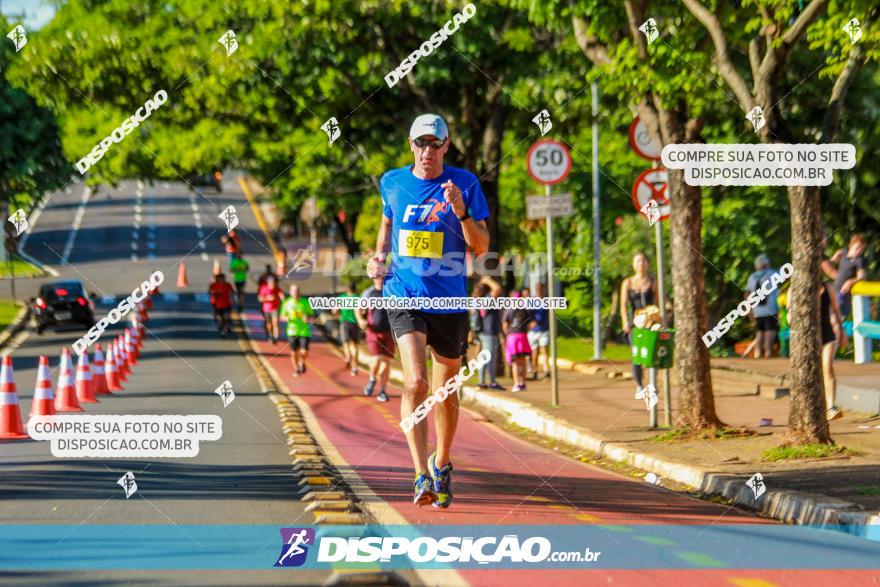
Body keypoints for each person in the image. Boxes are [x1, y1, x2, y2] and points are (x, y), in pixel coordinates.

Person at [366, 113, 490, 508]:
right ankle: (421, 475)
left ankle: (443, 461)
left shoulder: (465, 184)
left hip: (449, 300)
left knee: (445, 389)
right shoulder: (392, 182)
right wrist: (378, 256)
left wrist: (461, 212)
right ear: (411, 145)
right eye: (421, 144)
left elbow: (481, 247)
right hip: (403, 294)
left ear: (446, 146)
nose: (428, 152)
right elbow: (386, 227)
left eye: (435, 144)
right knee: (416, 381)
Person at [788, 282, 848, 421]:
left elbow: (836, 310)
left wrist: (842, 330)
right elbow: (789, 314)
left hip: (827, 334)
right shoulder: (795, 286)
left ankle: (831, 407)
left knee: (827, 366)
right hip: (806, 337)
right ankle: (811, 407)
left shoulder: (828, 288)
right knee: (810, 371)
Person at [620, 252, 659, 398]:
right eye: (637, 261)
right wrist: (625, 321)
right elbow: (623, 305)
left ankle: (652, 384)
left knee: (651, 353)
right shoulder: (628, 283)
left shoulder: (653, 282)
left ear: (647, 264)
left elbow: (658, 302)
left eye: (643, 260)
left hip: (650, 322)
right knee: (636, 354)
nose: (640, 264)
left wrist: (657, 319)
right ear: (633, 265)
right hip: (634, 323)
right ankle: (639, 386)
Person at [358, 276, 394, 402]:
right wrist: (361, 320)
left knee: (386, 364)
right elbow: (358, 308)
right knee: (377, 359)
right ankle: (372, 378)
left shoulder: (391, 290)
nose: (380, 279)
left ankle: (383, 390)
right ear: (374, 278)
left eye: (383, 276)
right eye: (378, 277)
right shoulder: (369, 293)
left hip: (389, 332)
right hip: (373, 332)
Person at [822, 233, 867, 319]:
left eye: (861, 249)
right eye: (857, 248)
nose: (859, 251)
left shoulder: (859, 260)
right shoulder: (844, 253)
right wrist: (835, 257)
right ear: (851, 245)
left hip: (843, 295)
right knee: (828, 318)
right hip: (834, 291)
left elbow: (862, 277)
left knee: (837, 320)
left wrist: (850, 282)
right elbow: (831, 262)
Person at [472, 276, 504, 390]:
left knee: (485, 357)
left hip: (484, 332)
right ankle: (488, 382)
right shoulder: (487, 299)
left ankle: (486, 381)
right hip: (488, 332)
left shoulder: (478, 299)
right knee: (488, 358)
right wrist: (487, 280)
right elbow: (497, 289)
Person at [745, 254, 780, 358]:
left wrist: (749, 309)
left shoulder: (751, 277)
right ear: (767, 263)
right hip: (771, 309)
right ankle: (768, 356)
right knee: (770, 335)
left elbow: (747, 293)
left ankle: (757, 356)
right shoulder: (772, 273)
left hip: (757, 311)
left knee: (759, 334)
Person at [280, 284, 314, 376]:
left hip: (304, 331)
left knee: (304, 351)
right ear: (290, 292)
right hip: (292, 331)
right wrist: (288, 318)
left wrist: (307, 318)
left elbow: (311, 315)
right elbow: (282, 316)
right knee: (293, 352)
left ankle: (302, 362)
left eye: (298, 291)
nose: (296, 293)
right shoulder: (287, 303)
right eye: (294, 291)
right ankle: (296, 369)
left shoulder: (305, 302)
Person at [503, 291, 533, 392]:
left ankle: (516, 384)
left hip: (513, 337)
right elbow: (529, 324)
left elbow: (505, 324)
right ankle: (523, 383)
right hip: (523, 337)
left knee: (515, 363)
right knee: (523, 361)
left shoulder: (509, 310)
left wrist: (507, 334)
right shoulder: (525, 309)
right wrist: (525, 332)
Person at [336, 283, 362, 376]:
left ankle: (347, 357)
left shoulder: (341, 298)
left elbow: (334, 310)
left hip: (344, 322)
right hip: (355, 322)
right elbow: (363, 311)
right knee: (355, 345)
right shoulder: (358, 298)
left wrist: (338, 313)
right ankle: (354, 368)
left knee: (346, 342)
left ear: (347, 289)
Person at [528, 282, 550, 379]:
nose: (539, 290)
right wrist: (531, 321)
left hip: (544, 330)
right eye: (538, 288)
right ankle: (534, 371)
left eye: (541, 288)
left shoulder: (547, 301)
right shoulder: (532, 301)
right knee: (534, 352)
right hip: (534, 331)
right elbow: (528, 313)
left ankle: (546, 370)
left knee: (544, 350)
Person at [258, 275, 284, 343]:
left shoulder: (277, 289)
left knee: (275, 323)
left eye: (274, 283)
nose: (273, 284)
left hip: (275, 308)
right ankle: (270, 335)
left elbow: (282, 296)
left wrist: (284, 302)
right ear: (268, 283)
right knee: (269, 323)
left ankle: (276, 338)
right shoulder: (264, 288)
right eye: (271, 282)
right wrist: (267, 298)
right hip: (266, 309)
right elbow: (260, 299)